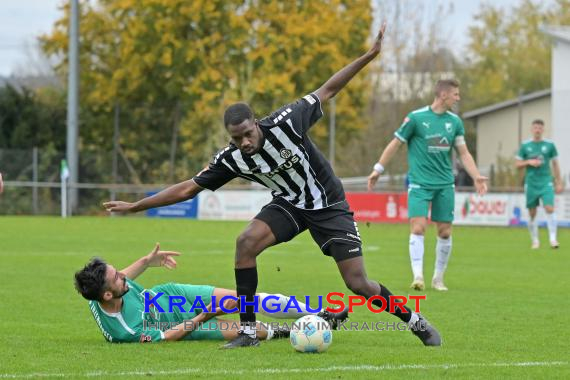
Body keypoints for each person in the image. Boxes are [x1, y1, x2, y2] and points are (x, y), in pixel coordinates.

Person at [104, 23, 442, 349]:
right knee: (246, 242)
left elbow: (329, 89)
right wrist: (137, 206)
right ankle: (248, 331)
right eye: (237, 139)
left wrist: (370, 55)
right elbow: (188, 188)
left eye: (248, 134)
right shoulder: (232, 158)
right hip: (290, 205)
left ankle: (415, 321)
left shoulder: (289, 122)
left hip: (328, 202)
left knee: (357, 284)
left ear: (256, 122)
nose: (245, 142)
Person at [74, 243, 348, 343]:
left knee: (247, 298)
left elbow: (126, 276)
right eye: (116, 277)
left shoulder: (103, 292)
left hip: (175, 294)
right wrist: (205, 316)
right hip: (184, 326)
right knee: (253, 330)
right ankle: (290, 333)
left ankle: (320, 314)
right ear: (107, 296)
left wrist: (146, 262)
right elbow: (167, 337)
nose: (122, 275)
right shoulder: (125, 331)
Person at [368, 79, 488, 292]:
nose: (458, 98)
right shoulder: (416, 118)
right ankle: (418, 276)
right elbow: (395, 143)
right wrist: (378, 168)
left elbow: (463, 153)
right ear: (443, 95)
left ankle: (438, 278)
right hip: (420, 184)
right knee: (418, 227)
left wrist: (477, 175)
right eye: (456, 95)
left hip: (444, 184)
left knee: (444, 232)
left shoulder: (455, 122)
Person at [515, 119, 563, 249]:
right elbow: (517, 164)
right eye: (535, 127)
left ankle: (553, 239)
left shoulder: (550, 145)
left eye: (540, 128)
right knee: (532, 213)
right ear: (532, 129)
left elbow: (555, 164)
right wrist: (528, 162)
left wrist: (559, 182)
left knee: (549, 208)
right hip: (531, 183)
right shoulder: (525, 145)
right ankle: (535, 240)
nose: (537, 130)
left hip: (546, 181)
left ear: (543, 129)